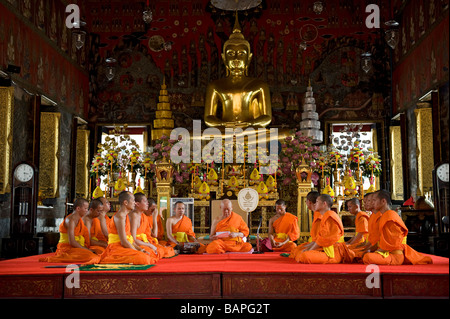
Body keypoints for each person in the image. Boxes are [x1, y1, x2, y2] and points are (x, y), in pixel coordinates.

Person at [204, 14, 271, 129]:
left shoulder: (259, 85)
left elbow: (267, 117)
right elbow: (208, 118)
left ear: (249, 58)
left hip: (250, 130)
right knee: (193, 136)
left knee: (282, 135)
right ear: (224, 58)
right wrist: (224, 124)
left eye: (241, 54)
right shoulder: (215, 85)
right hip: (225, 130)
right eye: (230, 54)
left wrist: (249, 124)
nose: (236, 59)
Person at [362, 190, 432, 265]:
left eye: (374, 200)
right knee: (364, 255)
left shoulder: (390, 217)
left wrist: (373, 252)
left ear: (383, 201)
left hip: (394, 255)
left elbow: (392, 245)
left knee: (367, 257)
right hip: (385, 252)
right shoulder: (385, 216)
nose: (372, 203)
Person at [99, 191, 157, 265]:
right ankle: (110, 258)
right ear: (125, 202)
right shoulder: (120, 217)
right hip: (116, 247)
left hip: (125, 246)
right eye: (133, 200)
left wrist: (140, 249)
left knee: (147, 255)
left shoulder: (125, 216)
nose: (134, 203)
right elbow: (124, 242)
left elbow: (130, 239)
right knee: (144, 259)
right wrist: (137, 251)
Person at [294, 194, 354, 264]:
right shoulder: (325, 216)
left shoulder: (330, 217)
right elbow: (319, 239)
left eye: (317, 202)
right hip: (325, 247)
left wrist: (309, 250)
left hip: (333, 252)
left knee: (304, 256)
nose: (315, 204)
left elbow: (322, 240)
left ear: (324, 204)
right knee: (299, 251)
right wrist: (307, 249)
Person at [39, 198, 101, 264]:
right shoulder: (70, 220)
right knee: (92, 256)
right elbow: (72, 242)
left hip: (76, 248)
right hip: (67, 249)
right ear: (78, 209)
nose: (87, 211)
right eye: (85, 208)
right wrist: (87, 250)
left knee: (98, 253)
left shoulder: (79, 220)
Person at [130, 193, 175, 258]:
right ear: (137, 204)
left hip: (144, 242)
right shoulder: (134, 216)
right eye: (145, 201)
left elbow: (154, 235)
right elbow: (133, 239)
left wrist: (154, 217)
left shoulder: (143, 216)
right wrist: (150, 245)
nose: (147, 204)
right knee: (149, 255)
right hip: (137, 243)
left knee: (165, 250)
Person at [290, 191, 320, 258]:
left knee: (303, 255)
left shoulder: (320, 215)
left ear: (309, 202)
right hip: (315, 243)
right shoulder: (316, 214)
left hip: (323, 246)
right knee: (296, 250)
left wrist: (309, 249)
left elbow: (320, 239)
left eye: (305, 201)